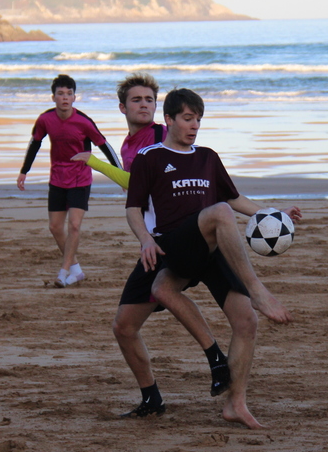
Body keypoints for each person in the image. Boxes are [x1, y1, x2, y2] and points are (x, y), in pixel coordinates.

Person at [126, 88, 301, 429]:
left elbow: (234, 199)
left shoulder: (208, 157)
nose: (194, 126)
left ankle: (236, 404)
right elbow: (133, 208)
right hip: (172, 245)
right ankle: (257, 290)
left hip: (211, 246)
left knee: (246, 321)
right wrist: (145, 239)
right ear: (169, 119)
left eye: (198, 120)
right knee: (124, 325)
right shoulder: (150, 157)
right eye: (187, 119)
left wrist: (275, 214)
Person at [71, 74, 231, 418]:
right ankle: (152, 399)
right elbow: (137, 194)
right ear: (122, 107)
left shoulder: (159, 137)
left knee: (167, 293)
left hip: (177, 240)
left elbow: (133, 184)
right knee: (124, 326)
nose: (144, 105)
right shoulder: (130, 145)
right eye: (136, 100)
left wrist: (94, 163)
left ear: (161, 111)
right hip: (153, 243)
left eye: (149, 100)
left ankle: (216, 358)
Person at [17, 74, 120, 287]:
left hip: (80, 179)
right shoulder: (45, 119)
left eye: (69, 94)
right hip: (57, 178)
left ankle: (63, 272)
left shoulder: (84, 122)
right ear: (53, 97)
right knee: (55, 227)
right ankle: (76, 270)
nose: (65, 98)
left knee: (73, 225)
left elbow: (105, 146)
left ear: (74, 97)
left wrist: (120, 174)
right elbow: (34, 143)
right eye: (60, 94)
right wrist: (24, 171)